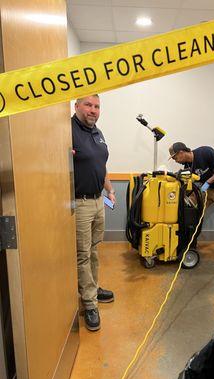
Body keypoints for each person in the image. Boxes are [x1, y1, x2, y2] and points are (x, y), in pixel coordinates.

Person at [72, 94, 115, 331]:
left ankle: (94, 288)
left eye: (97, 106)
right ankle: (89, 303)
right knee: (82, 255)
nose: (93, 110)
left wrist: (109, 190)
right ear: (76, 106)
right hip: (80, 203)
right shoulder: (67, 131)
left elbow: (101, 165)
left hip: (99, 201)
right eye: (88, 105)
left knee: (94, 249)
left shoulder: (98, 133)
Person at [169, 142, 214, 251]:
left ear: (181, 152)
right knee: (192, 209)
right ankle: (190, 239)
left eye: (175, 157)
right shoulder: (187, 166)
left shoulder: (204, 152)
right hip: (207, 190)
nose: (175, 160)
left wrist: (208, 182)